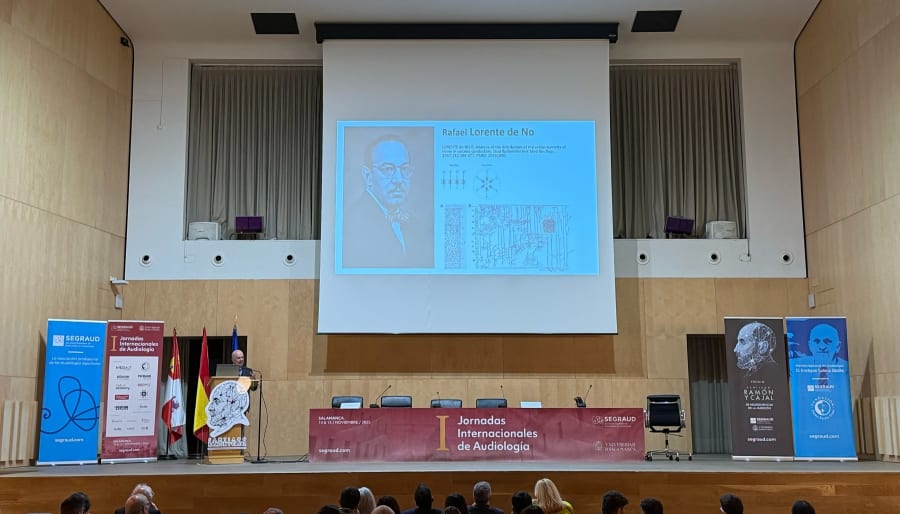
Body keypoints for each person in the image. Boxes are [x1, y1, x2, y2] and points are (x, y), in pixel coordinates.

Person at [343, 134, 434, 268]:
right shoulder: (349, 222)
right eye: (387, 169)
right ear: (368, 176)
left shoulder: (416, 226)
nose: (398, 180)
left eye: (404, 169)